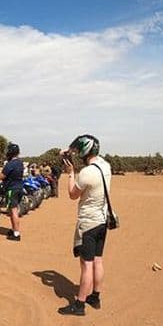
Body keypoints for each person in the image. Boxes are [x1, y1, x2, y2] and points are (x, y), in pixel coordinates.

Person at [58, 134, 112, 316]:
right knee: (98, 260)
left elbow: (73, 194)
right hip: (103, 221)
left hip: (88, 223)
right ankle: (95, 297)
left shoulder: (86, 173)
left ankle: (79, 305)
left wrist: (70, 173)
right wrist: (70, 151)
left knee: (86, 264)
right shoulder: (105, 166)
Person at [0, 143, 23, 241]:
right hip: (19, 187)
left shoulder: (10, 164)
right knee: (11, 210)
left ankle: (16, 234)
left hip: (12, 189)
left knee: (13, 211)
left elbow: (1, 176)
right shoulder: (20, 162)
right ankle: (13, 229)